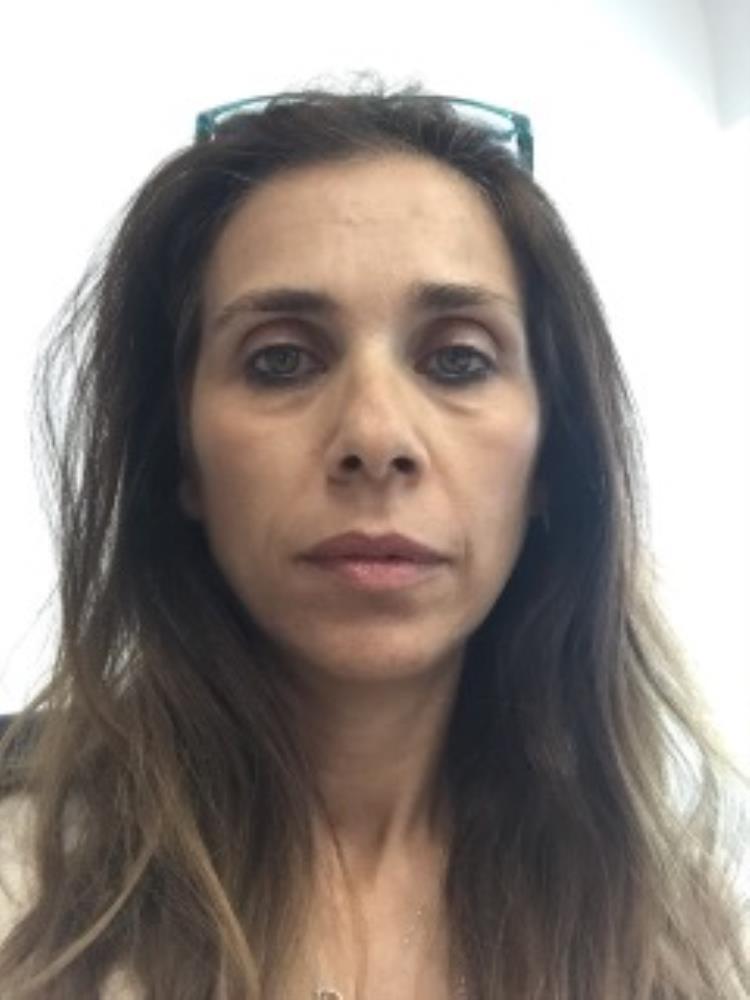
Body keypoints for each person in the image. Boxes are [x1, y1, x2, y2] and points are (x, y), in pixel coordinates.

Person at [0, 75, 748, 1000]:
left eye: (458, 359)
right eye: (280, 360)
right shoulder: (26, 896)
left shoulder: (687, 938)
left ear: (552, 462)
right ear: (181, 458)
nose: (376, 436)